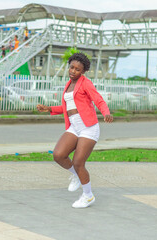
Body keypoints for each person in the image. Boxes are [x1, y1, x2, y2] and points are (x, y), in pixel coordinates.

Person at [36, 52, 113, 208]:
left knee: (79, 162)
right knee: (58, 155)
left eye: (78, 69)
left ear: (83, 71)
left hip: (89, 127)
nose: (73, 71)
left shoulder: (85, 83)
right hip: (74, 126)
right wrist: (48, 108)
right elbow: (67, 108)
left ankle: (88, 196)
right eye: (71, 67)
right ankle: (76, 176)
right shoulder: (68, 84)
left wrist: (106, 112)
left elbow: (98, 99)